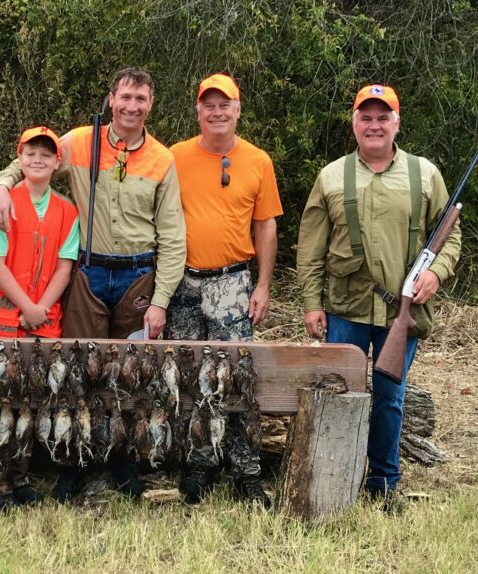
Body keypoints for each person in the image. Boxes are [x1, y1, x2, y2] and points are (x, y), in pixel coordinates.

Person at [0, 68, 186, 500]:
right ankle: (73, 462)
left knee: (130, 373)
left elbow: (173, 235)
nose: (132, 106)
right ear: (111, 99)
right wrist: (3, 186)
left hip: (138, 276)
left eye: (141, 99)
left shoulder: (162, 158)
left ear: (151, 104)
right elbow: (31, 157)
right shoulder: (79, 141)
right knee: (78, 368)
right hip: (89, 273)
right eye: (125, 97)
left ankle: (122, 462)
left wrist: (161, 300)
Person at [296, 84, 461, 511]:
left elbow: (451, 235)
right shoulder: (331, 176)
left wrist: (436, 275)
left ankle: (384, 482)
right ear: (354, 123)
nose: (374, 125)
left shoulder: (425, 174)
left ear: (396, 123)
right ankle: (333, 477)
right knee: (337, 393)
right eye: (365, 117)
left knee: (390, 398)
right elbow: (311, 246)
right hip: (344, 308)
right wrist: (312, 302)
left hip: (399, 313)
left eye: (382, 117)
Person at [166, 73, 283, 506]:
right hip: (182, 282)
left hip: (233, 281)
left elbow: (266, 224)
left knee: (237, 376)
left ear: (237, 109)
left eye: (225, 104)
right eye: (208, 105)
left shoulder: (258, 161)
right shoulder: (174, 156)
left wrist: (264, 285)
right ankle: (200, 462)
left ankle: (246, 469)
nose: (217, 112)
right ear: (198, 110)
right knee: (192, 375)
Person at [0, 126, 79, 510]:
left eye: (46, 154)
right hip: (0, 319)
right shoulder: (0, 205)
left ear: (57, 162)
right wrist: (25, 308)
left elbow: (65, 267)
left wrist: (41, 309)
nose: (38, 159)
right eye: (31, 152)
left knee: (30, 401)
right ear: (20, 157)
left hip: (42, 320)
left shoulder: (67, 210)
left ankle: (21, 476)